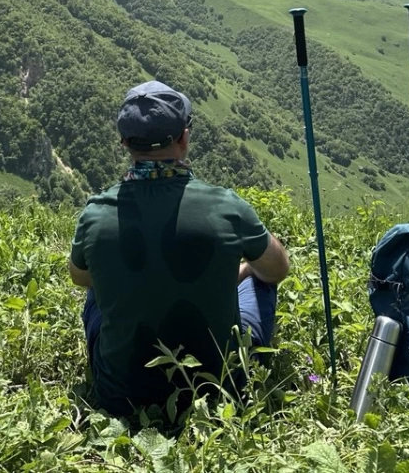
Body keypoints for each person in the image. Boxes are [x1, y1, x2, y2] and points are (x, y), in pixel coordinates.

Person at [68, 80, 290, 416]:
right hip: (218, 391)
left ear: (125, 143)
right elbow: (278, 269)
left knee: (99, 286)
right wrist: (240, 271)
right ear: (184, 138)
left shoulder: (96, 213)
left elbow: (80, 278)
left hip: (121, 397)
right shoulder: (226, 206)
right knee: (260, 280)